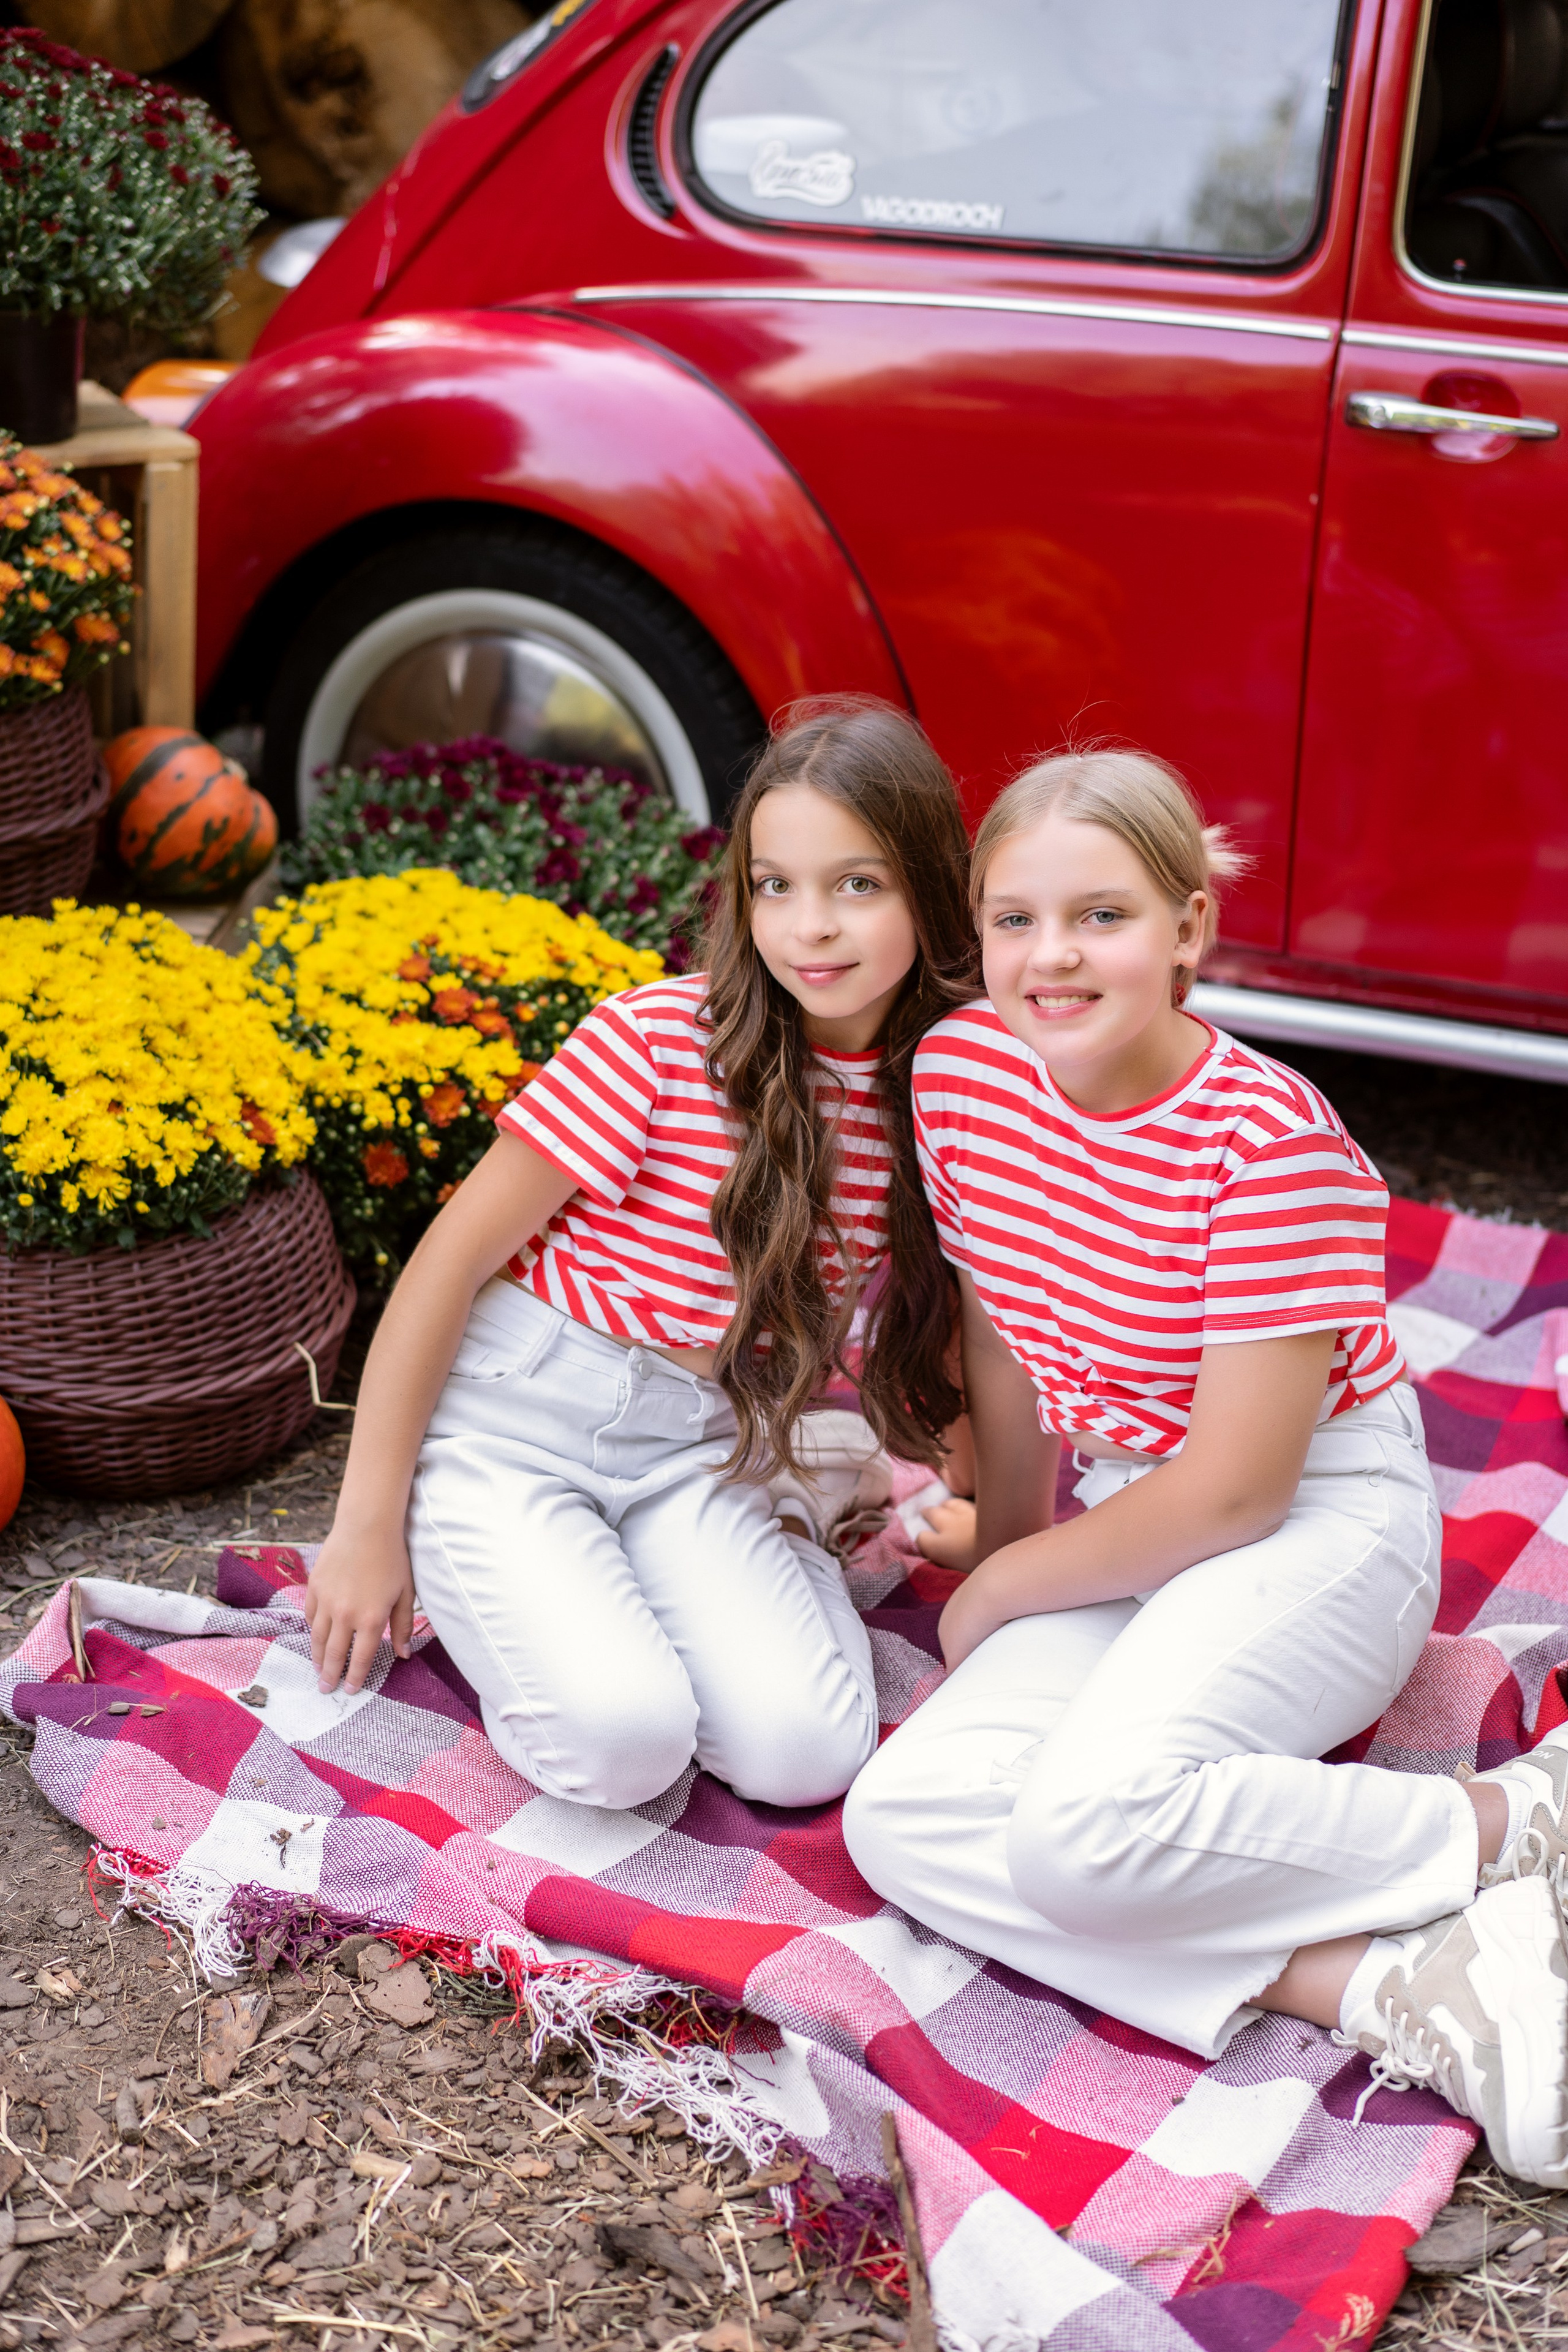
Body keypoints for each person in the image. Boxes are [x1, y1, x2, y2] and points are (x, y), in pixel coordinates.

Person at [843, 747, 1568, 2185]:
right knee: (903, 1820)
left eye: (1100, 916)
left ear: (1187, 930)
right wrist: (1004, 1539)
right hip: (1129, 1506)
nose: (1050, 958)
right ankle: (1390, 1986)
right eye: (1013, 920)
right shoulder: (962, 1072)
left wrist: (1011, 1586)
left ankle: (1514, 1818)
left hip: (1314, 1519)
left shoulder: (1273, 1146)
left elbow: (1238, 1488)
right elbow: (1001, 1332)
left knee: (1089, 1824)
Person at [304, 699, 978, 1814]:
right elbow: (444, 1265)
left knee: (806, 1757)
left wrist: (999, 1512)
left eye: (858, 884)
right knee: (624, 1748)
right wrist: (366, 1523)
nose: (811, 925)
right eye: (777, 885)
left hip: (700, 1445)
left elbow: (973, 1324)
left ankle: (781, 1519)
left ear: (929, 887)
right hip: (514, 1429)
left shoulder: (937, 1098)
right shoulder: (659, 1045)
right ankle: (504, 1563)